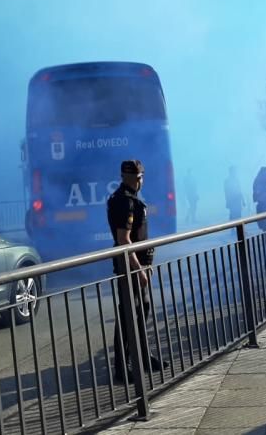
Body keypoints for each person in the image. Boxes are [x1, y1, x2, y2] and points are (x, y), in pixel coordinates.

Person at [106, 159, 168, 382]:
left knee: (142, 309)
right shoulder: (124, 202)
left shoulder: (130, 199)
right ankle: (122, 368)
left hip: (137, 265)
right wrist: (140, 268)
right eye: (138, 177)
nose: (140, 181)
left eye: (140, 177)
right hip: (130, 266)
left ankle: (143, 356)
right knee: (127, 315)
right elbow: (124, 240)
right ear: (129, 177)